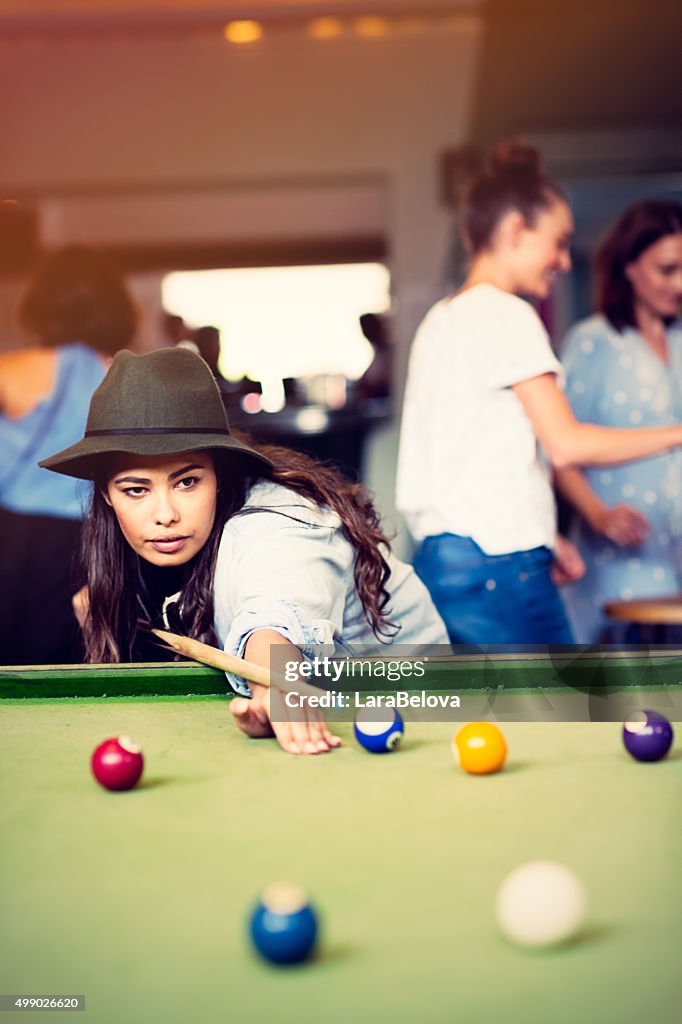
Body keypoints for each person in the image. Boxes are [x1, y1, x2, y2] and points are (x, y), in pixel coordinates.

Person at [40, 347, 448, 754]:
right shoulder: (140, 551)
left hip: (423, 712)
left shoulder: (276, 521)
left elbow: (277, 607)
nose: (164, 514)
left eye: (187, 482)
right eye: (135, 489)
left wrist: (277, 684)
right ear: (107, 496)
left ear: (219, 473)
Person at [396, 141, 682, 646]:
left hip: (452, 559)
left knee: (500, 720)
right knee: (566, 719)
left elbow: (468, 458)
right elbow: (566, 443)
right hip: (499, 568)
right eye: (559, 241)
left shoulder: (444, 319)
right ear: (516, 231)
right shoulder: (507, 314)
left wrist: (544, 534)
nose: (565, 261)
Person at [0, 246, 136, 664]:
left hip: (12, 539)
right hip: (91, 541)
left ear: (41, 305)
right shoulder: (126, 377)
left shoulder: (12, 371)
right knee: (70, 663)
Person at [556, 200, 682, 643]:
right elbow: (557, 450)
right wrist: (598, 515)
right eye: (667, 270)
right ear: (629, 267)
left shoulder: (680, 339)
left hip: (675, 558)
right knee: (626, 700)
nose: (679, 284)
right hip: (615, 561)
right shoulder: (594, 343)